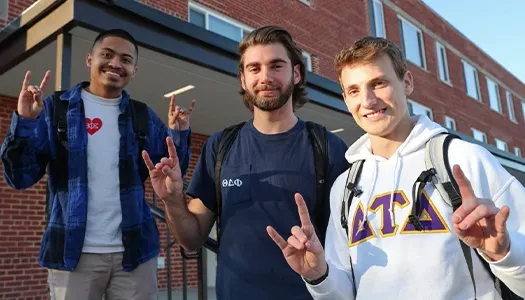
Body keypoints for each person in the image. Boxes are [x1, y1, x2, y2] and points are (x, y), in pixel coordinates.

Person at [268, 36, 525, 299]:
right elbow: (344, 294)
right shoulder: (345, 186)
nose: (367, 101)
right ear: (345, 99)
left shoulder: (463, 158)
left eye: (378, 83)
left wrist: (503, 253)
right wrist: (319, 276)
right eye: (354, 90)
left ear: (407, 82)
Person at [142, 25, 348, 300]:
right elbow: (191, 239)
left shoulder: (327, 148)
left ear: (296, 74)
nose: (265, 77)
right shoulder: (221, 146)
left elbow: (350, 244)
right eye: (254, 68)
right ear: (243, 79)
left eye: (276, 66)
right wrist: (171, 199)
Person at [0, 29, 195, 300]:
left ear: (134, 70)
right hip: (73, 254)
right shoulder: (56, 109)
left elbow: (175, 170)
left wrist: (179, 132)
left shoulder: (141, 115)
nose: (116, 64)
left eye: (125, 60)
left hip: (135, 254)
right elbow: (20, 177)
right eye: (107, 54)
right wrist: (24, 122)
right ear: (89, 59)